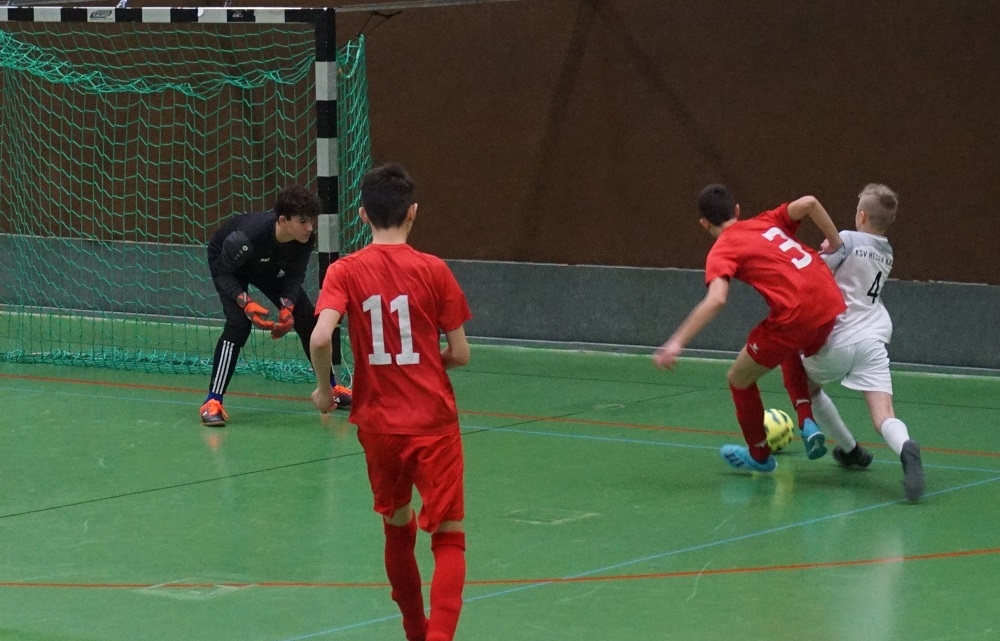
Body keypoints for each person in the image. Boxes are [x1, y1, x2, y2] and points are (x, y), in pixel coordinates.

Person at [310, 163, 472, 641]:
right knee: (449, 535)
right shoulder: (434, 270)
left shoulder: (344, 270)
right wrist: (429, 360)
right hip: (432, 421)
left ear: (362, 214)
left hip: (379, 424)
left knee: (396, 523)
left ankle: (414, 630)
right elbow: (461, 353)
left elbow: (320, 337)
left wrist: (325, 389)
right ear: (413, 212)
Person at [653, 184, 846, 472]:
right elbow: (809, 202)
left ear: (704, 224)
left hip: (797, 313)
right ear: (737, 210)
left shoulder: (722, 249)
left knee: (739, 378)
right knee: (787, 349)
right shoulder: (766, 220)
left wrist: (676, 342)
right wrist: (836, 243)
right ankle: (806, 418)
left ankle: (759, 455)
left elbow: (717, 299)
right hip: (831, 301)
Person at [802, 183, 924, 501]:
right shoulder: (886, 251)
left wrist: (822, 252)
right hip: (872, 340)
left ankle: (850, 448)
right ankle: (906, 447)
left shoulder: (847, 239)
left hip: (839, 338)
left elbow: (813, 272)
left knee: (806, 386)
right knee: (883, 415)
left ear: (862, 216)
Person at [200, 184, 352, 427]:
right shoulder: (246, 237)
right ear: (283, 220)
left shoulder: (304, 239)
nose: (310, 227)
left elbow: (295, 276)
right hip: (231, 267)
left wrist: (287, 308)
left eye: (311, 220)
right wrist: (246, 303)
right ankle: (212, 401)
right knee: (238, 326)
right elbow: (223, 273)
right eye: (303, 221)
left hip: (268, 266)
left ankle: (330, 388)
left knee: (307, 319)